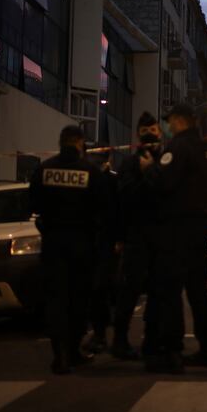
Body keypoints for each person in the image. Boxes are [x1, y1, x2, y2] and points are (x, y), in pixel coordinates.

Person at [140, 103, 207, 373]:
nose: (169, 126)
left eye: (170, 122)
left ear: (178, 121)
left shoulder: (178, 147)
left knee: (171, 289)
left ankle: (173, 351)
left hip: (177, 228)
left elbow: (163, 182)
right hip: (201, 227)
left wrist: (150, 167)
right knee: (199, 289)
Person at [29, 125, 106, 375]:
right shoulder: (90, 171)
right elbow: (101, 209)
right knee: (78, 299)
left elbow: (34, 205)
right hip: (81, 244)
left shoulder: (44, 169)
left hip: (53, 243)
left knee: (56, 299)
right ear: (80, 142)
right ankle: (73, 351)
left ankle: (58, 355)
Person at [110, 112, 163, 360]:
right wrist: (120, 238)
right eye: (145, 130)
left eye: (152, 129)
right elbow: (124, 200)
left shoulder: (165, 161)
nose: (150, 134)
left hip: (159, 238)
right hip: (137, 237)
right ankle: (120, 340)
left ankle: (152, 340)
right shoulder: (130, 165)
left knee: (157, 293)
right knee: (130, 291)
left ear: (159, 132)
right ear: (138, 134)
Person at [86, 149, 121, 354]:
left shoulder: (98, 179)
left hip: (100, 242)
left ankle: (101, 333)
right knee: (100, 288)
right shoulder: (107, 180)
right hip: (101, 241)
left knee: (100, 288)